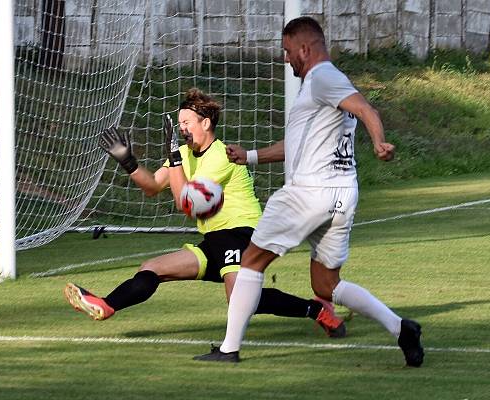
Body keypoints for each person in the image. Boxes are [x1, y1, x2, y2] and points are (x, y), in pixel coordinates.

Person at [193, 17, 424, 366]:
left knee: (251, 261)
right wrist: (251, 157)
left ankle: (228, 349)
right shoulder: (320, 87)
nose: (286, 59)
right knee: (326, 285)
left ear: (305, 48)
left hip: (308, 192)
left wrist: (379, 141)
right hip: (342, 194)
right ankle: (401, 328)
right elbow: (300, 144)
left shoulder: (323, 77)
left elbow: (365, 108)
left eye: (288, 51)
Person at [63, 88, 346, 339]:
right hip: (214, 239)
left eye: (186, 123)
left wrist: (174, 158)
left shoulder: (221, 155)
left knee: (242, 301)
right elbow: (152, 187)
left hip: (242, 235)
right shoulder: (183, 155)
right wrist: (128, 161)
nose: (181, 128)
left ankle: (316, 310)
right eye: (179, 123)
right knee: (152, 269)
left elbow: (184, 201)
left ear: (206, 123)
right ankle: (106, 304)